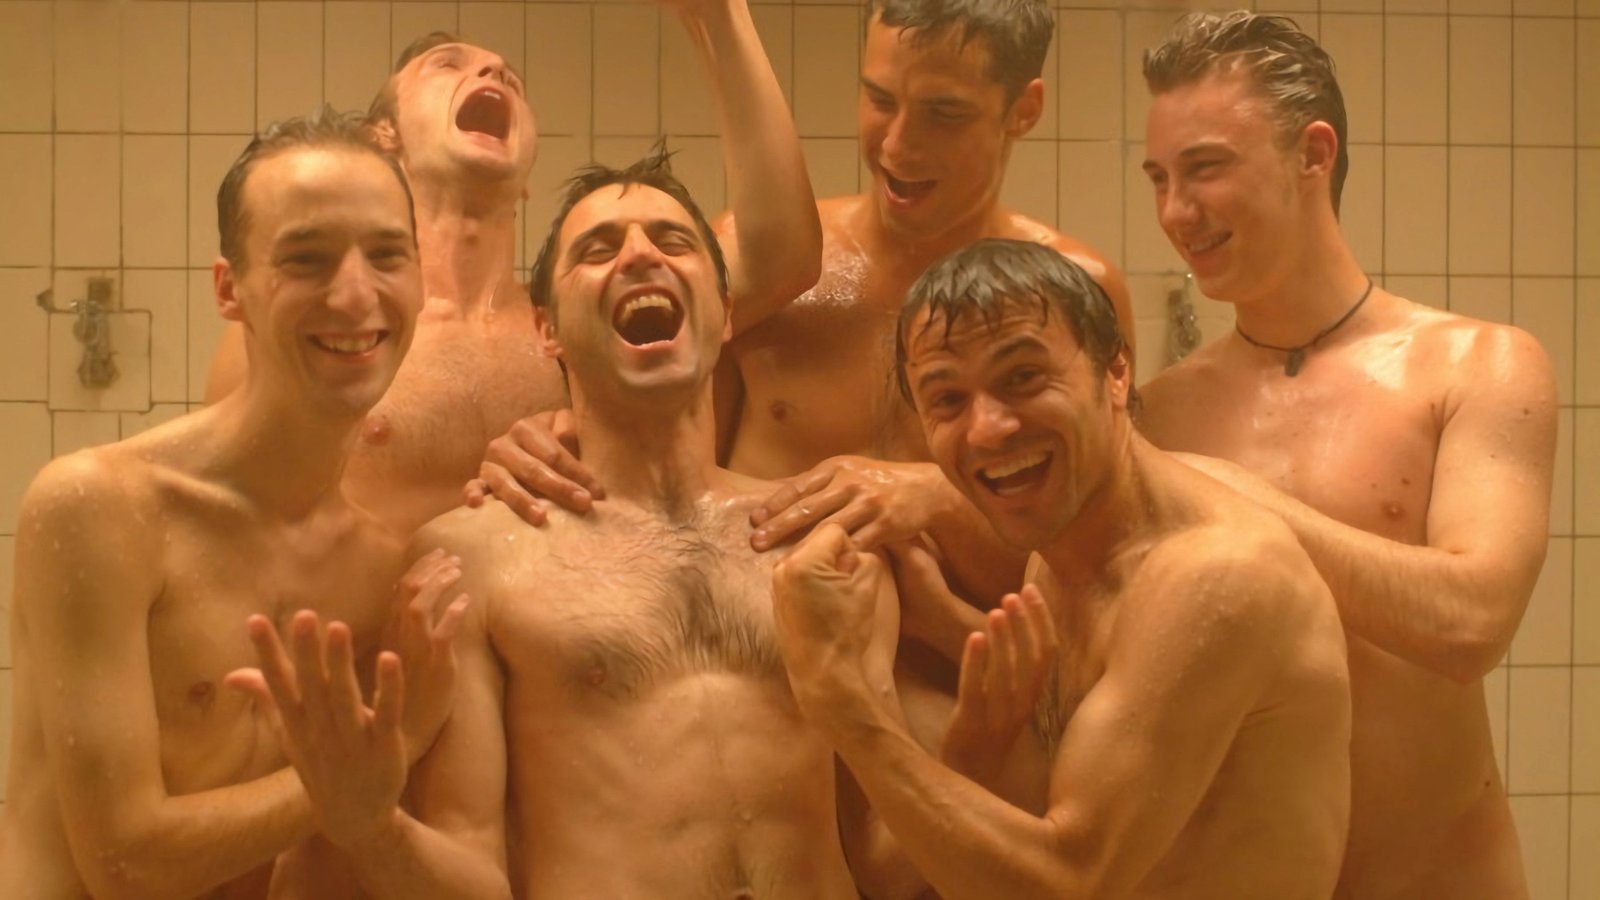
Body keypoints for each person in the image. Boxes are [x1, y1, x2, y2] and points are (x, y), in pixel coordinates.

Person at [231, 149, 899, 899]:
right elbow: (475, 871)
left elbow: (882, 853)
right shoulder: (472, 562)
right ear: (547, 330)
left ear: (726, 313)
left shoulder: (820, 547)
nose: (640, 255)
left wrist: (979, 746)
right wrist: (370, 830)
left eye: (672, 240)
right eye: (598, 249)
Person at [477, 0, 1130, 600]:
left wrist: (940, 492)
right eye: (879, 100)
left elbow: (1117, 530)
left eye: (945, 113)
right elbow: (654, 450)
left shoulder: (1075, 291)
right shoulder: (771, 285)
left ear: (1024, 109)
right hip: (767, 666)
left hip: (979, 666)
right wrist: (543, 436)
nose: (897, 144)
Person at [772, 238, 1352, 899]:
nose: (987, 429)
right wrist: (966, 703)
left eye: (1022, 378)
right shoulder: (1061, 559)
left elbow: (1068, 881)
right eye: (947, 399)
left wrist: (841, 700)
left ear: (1116, 373)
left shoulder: (1215, 577)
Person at [1134, 12, 1556, 898]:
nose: (1176, 211)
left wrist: (1232, 497)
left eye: (1205, 168)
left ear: (1313, 154)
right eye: (1160, 178)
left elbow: (1471, 623)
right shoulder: (1161, 414)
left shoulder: (1476, 365)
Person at [0, 110, 462, 900]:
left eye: (388, 255)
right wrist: (395, 747)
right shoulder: (101, 510)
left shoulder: (381, 568)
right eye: (306, 260)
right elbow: (124, 864)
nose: (356, 293)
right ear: (229, 289)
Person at [208, 0, 818, 535]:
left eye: (512, 79)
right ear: (381, 137)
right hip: (363, 632)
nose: (493, 73)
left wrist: (719, 14)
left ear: (527, 177)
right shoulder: (318, 328)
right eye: (447, 65)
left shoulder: (578, 325)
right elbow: (232, 515)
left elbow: (780, 258)